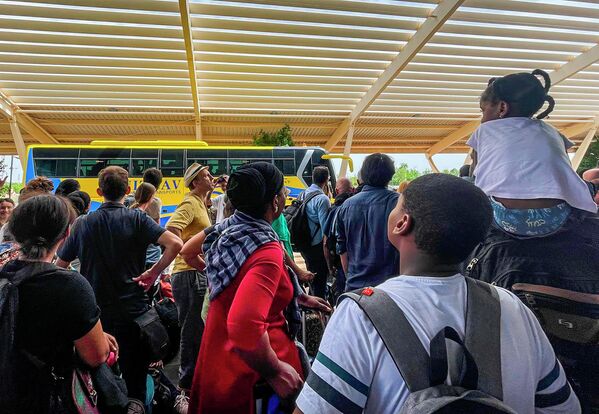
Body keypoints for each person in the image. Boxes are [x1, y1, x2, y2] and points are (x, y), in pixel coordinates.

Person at [295, 174, 580, 414]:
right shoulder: (514, 309)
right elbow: (563, 408)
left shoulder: (360, 315)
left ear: (401, 223)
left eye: (397, 206)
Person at [186, 162, 311, 414]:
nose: (287, 196)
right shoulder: (265, 250)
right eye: (284, 192)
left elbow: (188, 251)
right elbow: (244, 325)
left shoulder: (227, 229)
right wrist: (275, 370)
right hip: (251, 377)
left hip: (217, 359)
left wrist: (216, 276)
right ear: (275, 202)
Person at [56, 166, 183, 403]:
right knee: (135, 377)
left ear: (98, 191)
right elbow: (175, 243)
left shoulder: (83, 223)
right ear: (127, 190)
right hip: (134, 312)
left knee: (100, 379)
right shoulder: (137, 219)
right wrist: (153, 273)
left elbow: (60, 266)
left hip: (96, 315)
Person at [2, 194, 117, 413]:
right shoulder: (71, 285)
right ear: (66, 233)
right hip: (47, 398)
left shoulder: (3, 274)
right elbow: (97, 356)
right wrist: (101, 338)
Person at [468, 69, 597, 214]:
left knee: (466, 184)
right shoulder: (553, 132)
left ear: (502, 108)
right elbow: (564, 171)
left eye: (483, 111)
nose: (482, 118)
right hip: (557, 215)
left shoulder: (485, 130)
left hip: (505, 215)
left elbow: (475, 175)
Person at [166, 162, 213, 411]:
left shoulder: (200, 203)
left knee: (197, 330)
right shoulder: (189, 202)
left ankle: (193, 383)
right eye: (206, 175)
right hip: (188, 275)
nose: (212, 177)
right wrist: (187, 254)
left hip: (193, 273)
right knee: (191, 332)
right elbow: (172, 228)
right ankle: (184, 391)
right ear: (195, 182)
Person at [335, 153, 399, 291]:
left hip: (355, 286)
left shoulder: (346, 206)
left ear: (363, 175)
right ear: (390, 175)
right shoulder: (399, 203)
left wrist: (350, 277)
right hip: (390, 289)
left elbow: (342, 249)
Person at [299, 166, 331, 298]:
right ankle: (319, 311)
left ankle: (313, 306)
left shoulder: (303, 194)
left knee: (312, 276)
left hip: (304, 243)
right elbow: (326, 230)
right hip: (316, 246)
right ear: (326, 180)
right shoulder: (322, 199)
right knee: (320, 281)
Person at [322, 178, 354, 298]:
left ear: (336, 191)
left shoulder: (335, 211)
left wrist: (330, 268)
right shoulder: (359, 208)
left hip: (342, 267)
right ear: (353, 190)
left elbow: (326, 243)